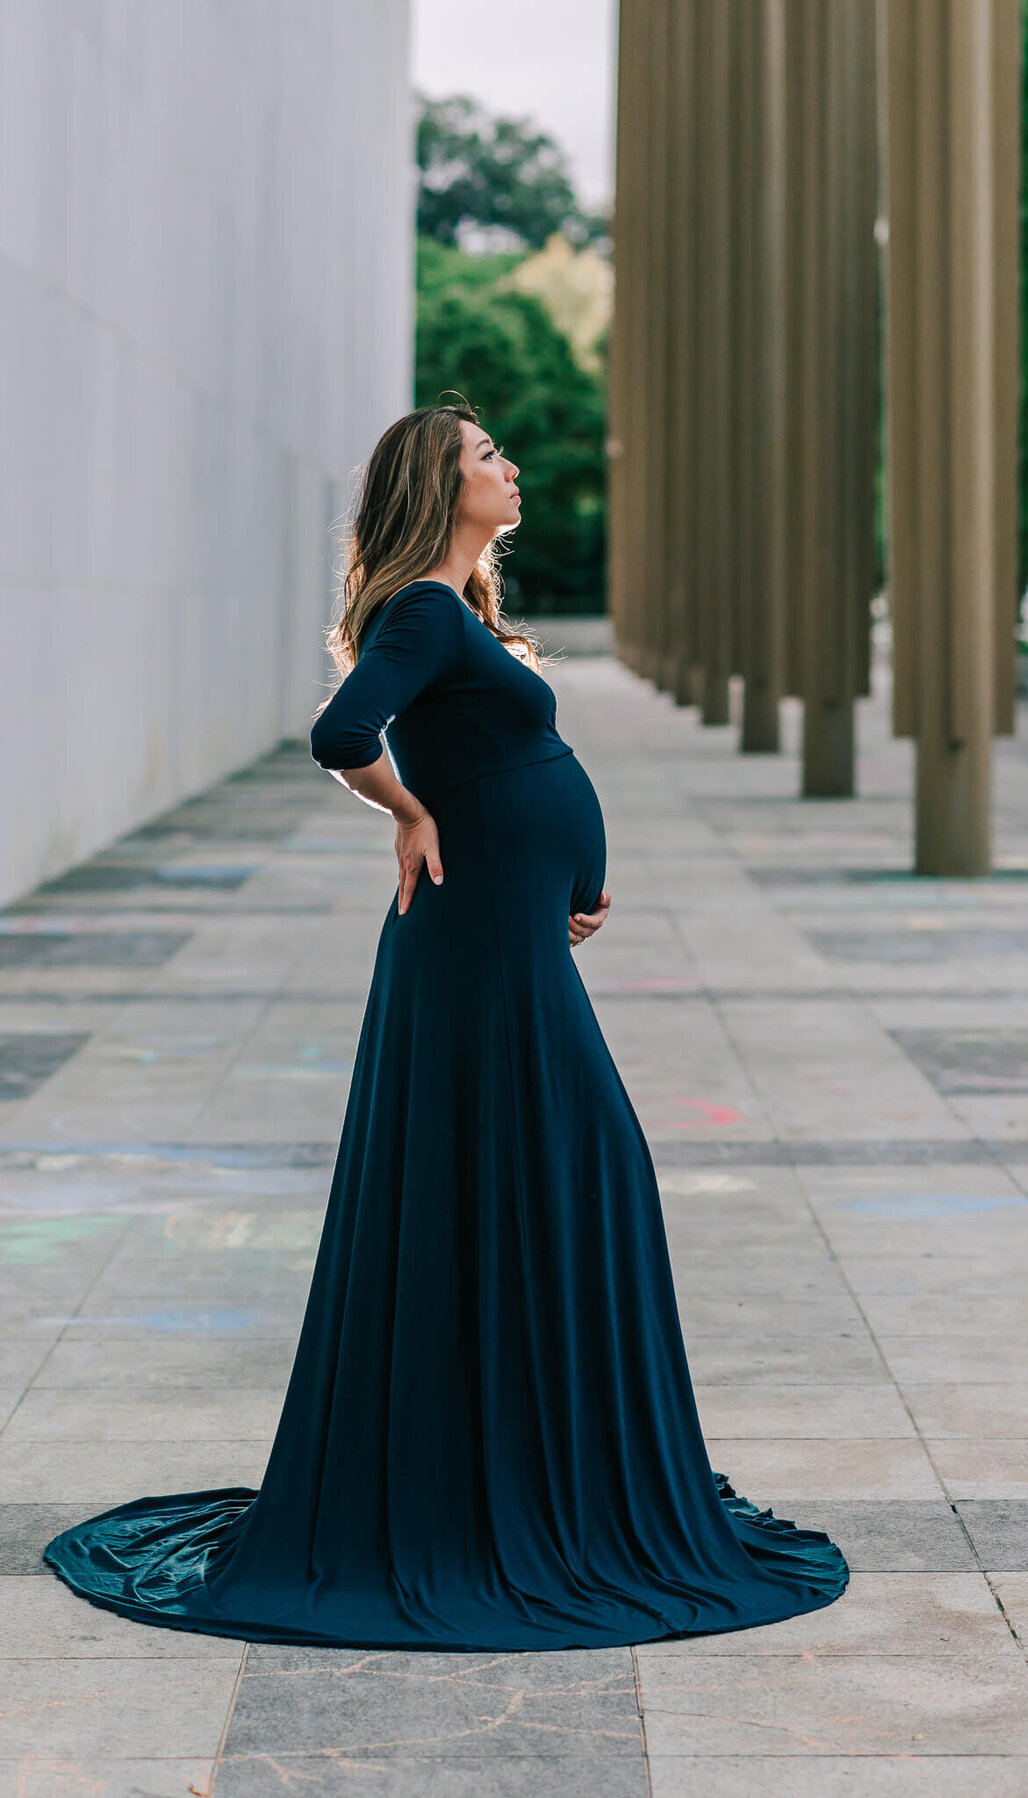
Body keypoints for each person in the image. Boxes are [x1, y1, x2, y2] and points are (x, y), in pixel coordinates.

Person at [44, 403, 848, 1649]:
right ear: (440, 482)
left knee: (536, 1183)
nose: (510, 466)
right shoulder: (421, 606)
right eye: (487, 456)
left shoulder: (457, 610)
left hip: (505, 946)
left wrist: (550, 875)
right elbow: (339, 732)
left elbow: (489, 757)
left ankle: (536, 1477)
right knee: (594, 1173)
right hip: (472, 953)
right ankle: (530, 1497)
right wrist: (409, 816)